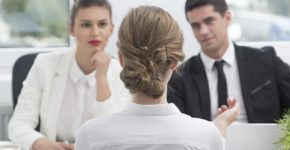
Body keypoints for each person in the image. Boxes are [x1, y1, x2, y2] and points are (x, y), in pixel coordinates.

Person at [75, 6, 240, 150]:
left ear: (121, 59)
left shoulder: (90, 135)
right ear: (174, 62)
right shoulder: (207, 135)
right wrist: (219, 129)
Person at [8, 0, 131, 149]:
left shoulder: (122, 75)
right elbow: (18, 124)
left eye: (102, 24)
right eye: (86, 24)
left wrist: (101, 79)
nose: (95, 32)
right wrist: (41, 144)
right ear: (72, 29)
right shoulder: (44, 65)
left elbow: (113, 136)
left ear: (111, 29)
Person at [167, 0, 290, 123]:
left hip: (262, 141)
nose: (203, 31)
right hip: (207, 141)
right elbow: (178, 128)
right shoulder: (179, 78)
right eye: (196, 25)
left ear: (227, 18)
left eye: (209, 21)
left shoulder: (266, 60)